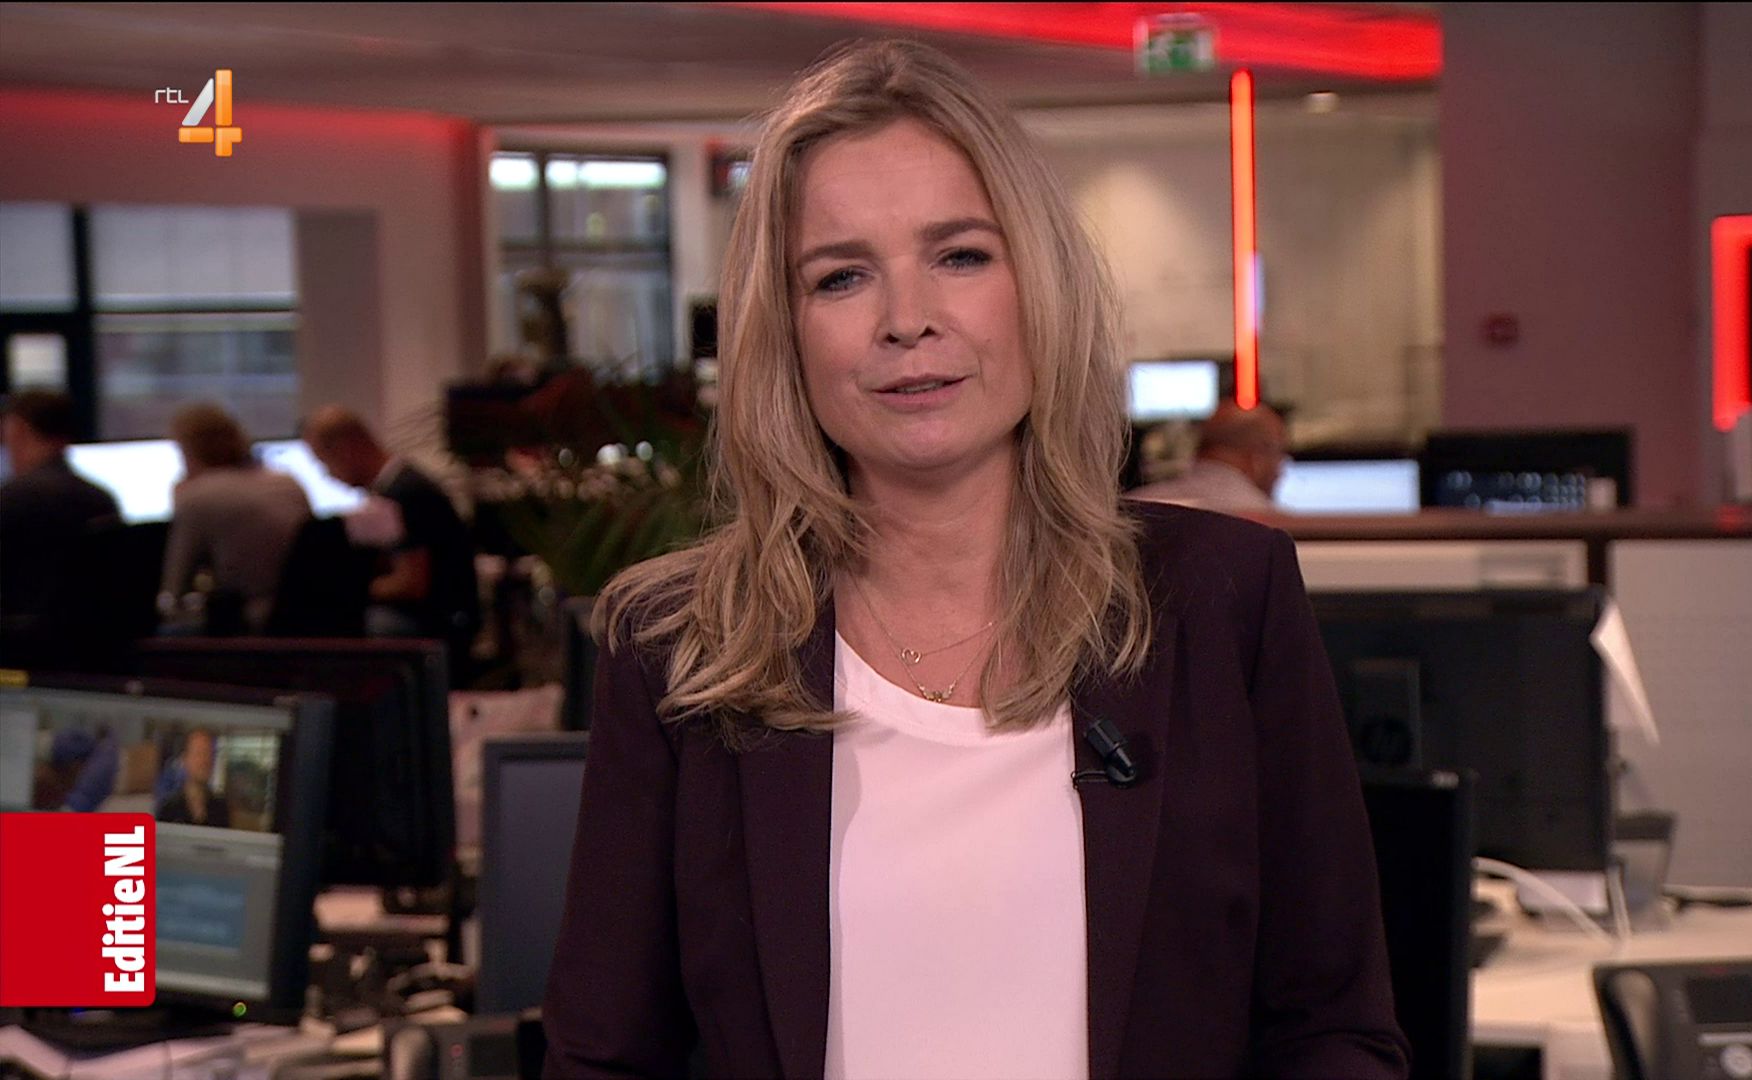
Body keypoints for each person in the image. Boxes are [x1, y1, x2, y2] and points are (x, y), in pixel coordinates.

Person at [542, 40, 1407, 1080]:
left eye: (959, 256)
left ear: (1037, 283)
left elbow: (1331, 1028)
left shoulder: (1223, 597)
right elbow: (605, 1058)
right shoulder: (679, 645)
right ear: (786, 331)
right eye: (842, 276)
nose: (908, 321)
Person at [301, 406, 480, 674]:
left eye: (324, 461)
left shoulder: (402, 494)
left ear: (346, 447)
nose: (328, 474)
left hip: (440, 622)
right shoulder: (399, 486)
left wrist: (350, 591)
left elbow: (412, 583)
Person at [160, 404, 312, 633]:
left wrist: (180, 504)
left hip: (250, 621)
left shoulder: (198, 495)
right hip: (306, 615)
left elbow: (174, 591)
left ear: (188, 451)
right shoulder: (287, 483)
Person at [0, 390, 123, 657]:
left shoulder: (11, 499)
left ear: (19, 430)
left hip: (23, 653)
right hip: (97, 649)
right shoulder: (101, 500)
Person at [1129, 400, 1292, 515]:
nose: (1281, 472)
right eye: (1279, 455)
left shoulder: (1132, 508)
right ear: (1258, 458)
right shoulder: (1270, 521)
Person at [155, 728, 230, 828]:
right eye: (199, 753)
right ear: (184, 759)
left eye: (209, 754)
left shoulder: (220, 808)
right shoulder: (168, 809)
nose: (204, 760)